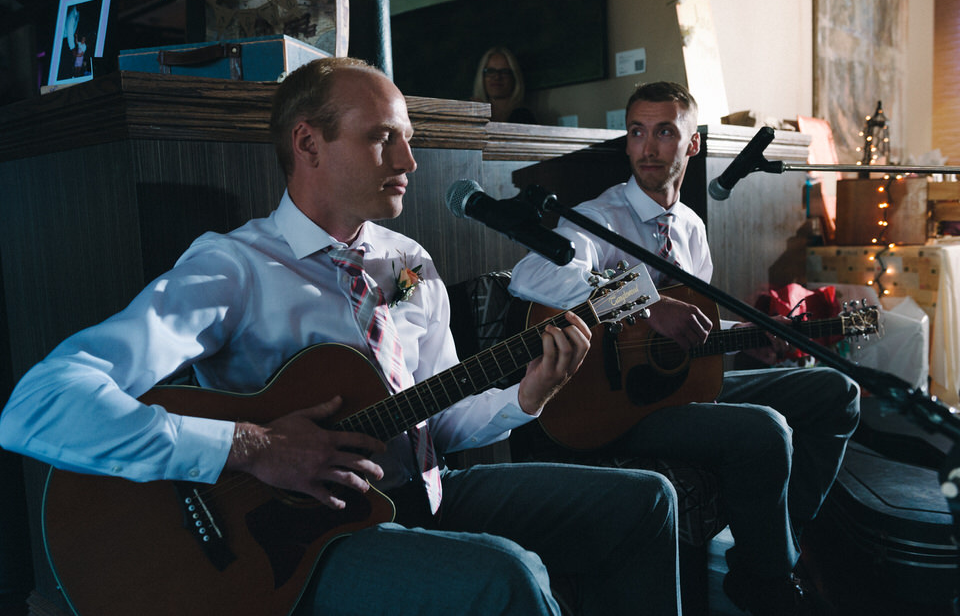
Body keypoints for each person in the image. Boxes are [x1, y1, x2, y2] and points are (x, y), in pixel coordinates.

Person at [0, 58, 682, 616]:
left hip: (425, 492)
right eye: (383, 137)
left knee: (649, 499)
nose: (410, 159)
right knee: (506, 575)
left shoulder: (410, 260)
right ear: (308, 144)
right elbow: (37, 403)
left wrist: (526, 394)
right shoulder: (232, 267)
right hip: (306, 535)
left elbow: (438, 420)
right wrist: (252, 446)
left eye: (407, 136)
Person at [509, 81, 861, 616]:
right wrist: (643, 304)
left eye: (665, 132)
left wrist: (747, 340)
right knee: (766, 429)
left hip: (675, 391)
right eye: (637, 133)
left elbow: (688, 349)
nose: (648, 147)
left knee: (838, 391)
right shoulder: (599, 219)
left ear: (692, 145)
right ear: (626, 144)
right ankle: (768, 582)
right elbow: (530, 276)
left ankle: (769, 551)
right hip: (611, 405)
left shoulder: (692, 228)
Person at [471, 46, 537, 124]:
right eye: (491, 71)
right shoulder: (471, 112)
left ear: (514, 77)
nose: (497, 77)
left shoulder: (523, 115)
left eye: (504, 71)